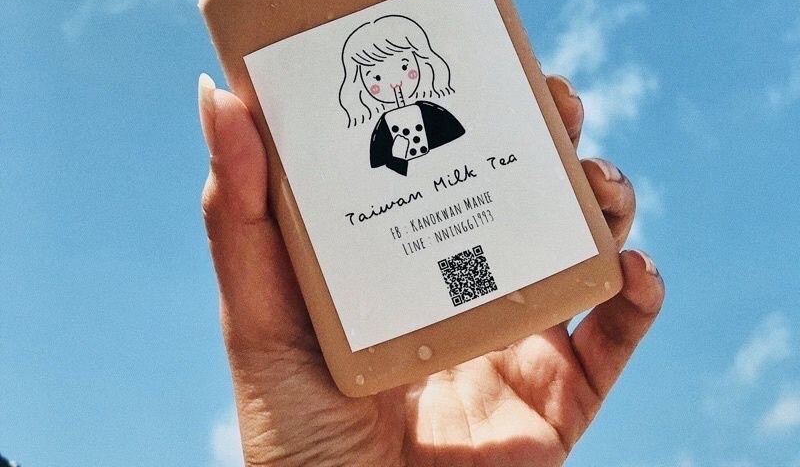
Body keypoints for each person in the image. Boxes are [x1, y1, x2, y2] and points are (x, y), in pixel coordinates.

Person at [198, 72, 665, 466]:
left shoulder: (437, 116)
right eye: (375, 77)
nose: (393, 82)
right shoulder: (378, 136)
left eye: (405, 67)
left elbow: (456, 146)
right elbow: (391, 170)